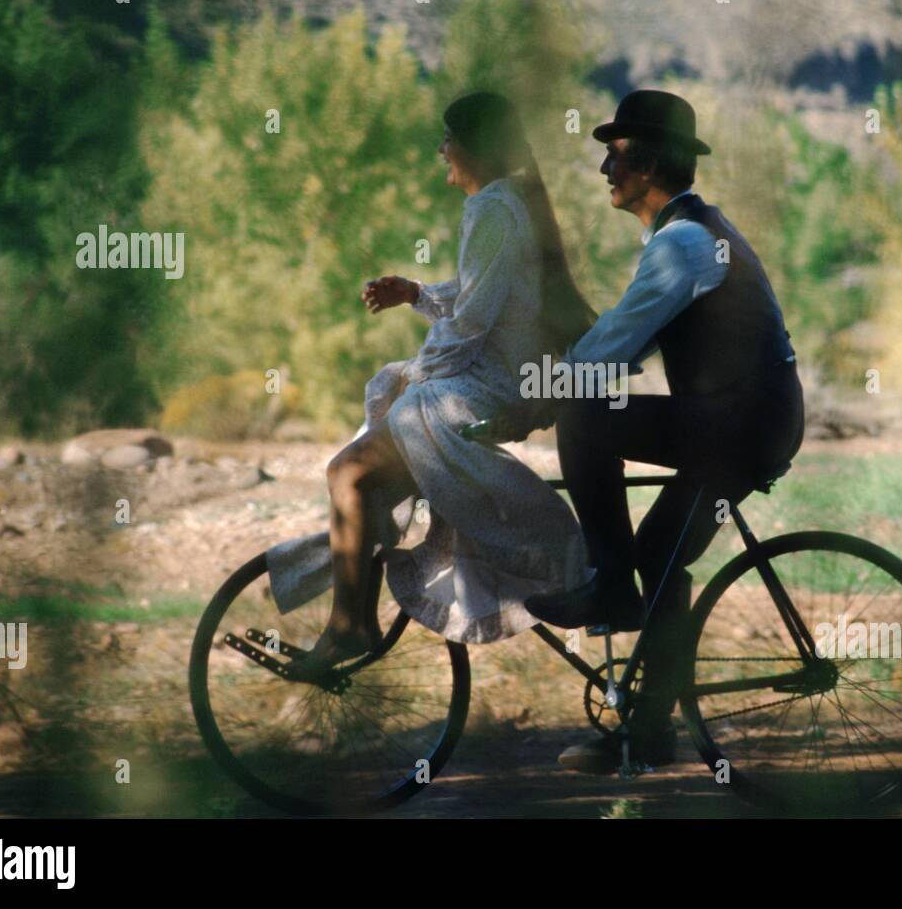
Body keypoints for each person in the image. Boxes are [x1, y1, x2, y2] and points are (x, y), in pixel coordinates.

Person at [524, 90, 807, 772]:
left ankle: (608, 582)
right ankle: (648, 732)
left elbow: (608, 351)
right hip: (746, 422)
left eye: (614, 157)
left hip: (740, 425)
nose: (604, 171)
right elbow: (620, 345)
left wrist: (536, 399)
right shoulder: (687, 234)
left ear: (647, 165)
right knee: (663, 552)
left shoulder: (683, 243)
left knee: (582, 416)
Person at [281, 91, 598, 680]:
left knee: (346, 472)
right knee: (364, 469)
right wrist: (418, 295)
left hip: (489, 386)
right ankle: (352, 615)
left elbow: (476, 321)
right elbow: (489, 294)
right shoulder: (502, 206)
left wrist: (418, 378)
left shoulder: (494, 209)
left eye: (448, 138)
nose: (441, 150)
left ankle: (350, 625)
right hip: (494, 380)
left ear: (474, 147)